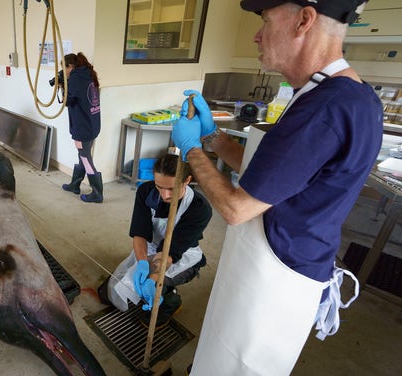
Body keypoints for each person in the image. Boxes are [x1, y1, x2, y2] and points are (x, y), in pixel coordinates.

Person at [171, 1, 382, 374]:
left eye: (266, 20)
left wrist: (189, 150)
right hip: (292, 265)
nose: (256, 34)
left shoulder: (323, 109)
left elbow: (237, 208)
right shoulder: (348, 95)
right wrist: (213, 138)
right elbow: (278, 176)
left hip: (274, 281)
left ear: (304, 20)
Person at [98, 154, 211, 329]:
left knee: (152, 290)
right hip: (151, 248)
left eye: (172, 189)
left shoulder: (199, 208)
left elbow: (170, 251)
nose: (165, 194)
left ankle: (171, 299)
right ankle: (155, 286)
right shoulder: (146, 192)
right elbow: (140, 234)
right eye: (160, 186)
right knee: (108, 294)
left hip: (179, 256)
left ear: (187, 180)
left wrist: (152, 278)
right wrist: (142, 263)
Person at [60, 53, 103, 203]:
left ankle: (97, 193)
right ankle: (75, 184)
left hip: (82, 126)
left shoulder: (76, 78)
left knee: (85, 156)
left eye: (63, 67)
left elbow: (67, 101)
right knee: (83, 155)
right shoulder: (88, 74)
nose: (63, 71)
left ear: (70, 67)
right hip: (92, 124)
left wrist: (63, 86)